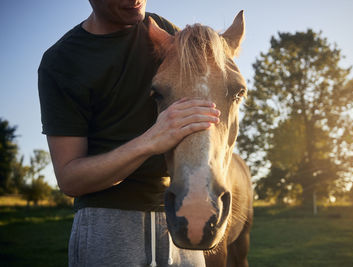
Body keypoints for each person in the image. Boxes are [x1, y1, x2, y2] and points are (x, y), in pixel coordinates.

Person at [38, 0, 220, 266]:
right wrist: (149, 142)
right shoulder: (62, 61)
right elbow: (70, 179)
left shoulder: (168, 34)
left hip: (178, 216)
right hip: (108, 225)